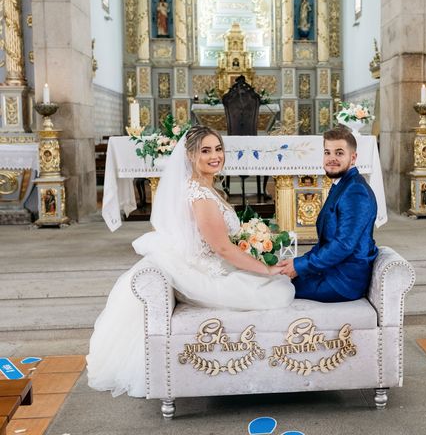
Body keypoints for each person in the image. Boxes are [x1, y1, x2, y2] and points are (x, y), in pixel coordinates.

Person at [87, 126, 294, 397]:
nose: (214, 156)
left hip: (213, 261)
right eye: (205, 151)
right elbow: (222, 248)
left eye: (218, 149)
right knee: (278, 289)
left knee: (277, 283)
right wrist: (265, 269)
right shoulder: (200, 196)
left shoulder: (203, 187)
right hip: (208, 273)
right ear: (189, 155)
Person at [277, 127, 378, 302]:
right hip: (331, 270)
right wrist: (298, 262)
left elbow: (343, 245)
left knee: (276, 288)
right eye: (327, 152)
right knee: (276, 278)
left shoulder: (355, 190)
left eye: (339, 153)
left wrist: (300, 266)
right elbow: (328, 242)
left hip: (343, 281)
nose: (331, 159)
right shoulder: (342, 185)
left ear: (353, 158)